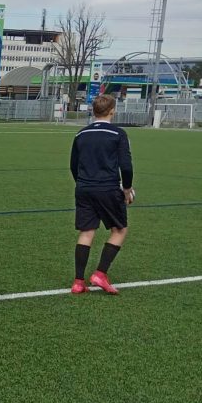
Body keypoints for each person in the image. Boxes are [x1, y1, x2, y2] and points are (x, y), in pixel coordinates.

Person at [69, 93, 134, 295]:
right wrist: (127, 189)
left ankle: (78, 282)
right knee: (119, 230)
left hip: (83, 188)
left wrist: (83, 184)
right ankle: (100, 274)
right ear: (112, 111)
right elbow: (126, 166)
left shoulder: (81, 134)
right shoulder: (118, 134)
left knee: (86, 232)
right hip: (107, 188)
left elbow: (73, 166)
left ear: (94, 111)